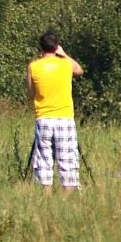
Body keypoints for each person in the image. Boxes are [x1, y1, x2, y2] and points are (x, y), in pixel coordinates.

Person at [26, 31, 84, 190]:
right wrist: (64, 54)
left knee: (44, 160)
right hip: (64, 117)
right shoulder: (66, 64)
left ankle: (46, 195)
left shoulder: (33, 66)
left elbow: (31, 94)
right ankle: (67, 197)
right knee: (67, 159)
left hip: (43, 117)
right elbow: (79, 70)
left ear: (41, 47)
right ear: (56, 46)